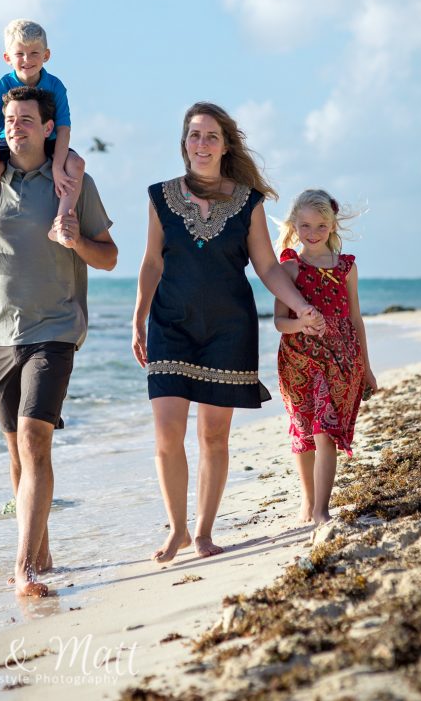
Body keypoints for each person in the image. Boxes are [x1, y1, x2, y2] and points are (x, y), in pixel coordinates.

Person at [132, 102, 324, 563]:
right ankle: (176, 527)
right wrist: (137, 317)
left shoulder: (248, 202)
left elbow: (266, 267)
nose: (202, 144)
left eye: (211, 136)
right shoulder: (160, 196)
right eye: (195, 135)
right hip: (170, 326)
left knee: (214, 437)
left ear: (225, 145)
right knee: (166, 435)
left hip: (228, 330)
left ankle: (202, 531)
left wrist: (300, 305)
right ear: (184, 144)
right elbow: (153, 261)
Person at [0, 86, 117, 597]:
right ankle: (42, 555)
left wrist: (75, 240)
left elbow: (108, 257)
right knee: (16, 455)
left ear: (49, 127)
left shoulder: (72, 182)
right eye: (8, 118)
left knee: (35, 439)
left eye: (25, 118)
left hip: (55, 329)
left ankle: (23, 570)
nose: (14, 126)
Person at [274, 188, 377, 526]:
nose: (313, 234)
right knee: (303, 431)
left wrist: (367, 368)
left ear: (332, 226)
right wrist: (301, 323)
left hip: (341, 360)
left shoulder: (346, 267)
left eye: (321, 226)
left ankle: (321, 510)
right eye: (305, 226)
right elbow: (279, 322)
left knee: (325, 429)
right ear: (294, 225)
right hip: (299, 360)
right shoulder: (289, 267)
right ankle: (308, 500)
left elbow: (355, 319)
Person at [0, 18, 85, 262]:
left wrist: (58, 167)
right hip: (9, 141)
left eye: (34, 53)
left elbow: (64, 129)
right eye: (20, 54)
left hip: (50, 140)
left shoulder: (56, 85)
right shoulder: (1, 86)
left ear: (46, 55)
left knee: (76, 165)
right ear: (7, 57)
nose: (27, 60)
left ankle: (61, 224)